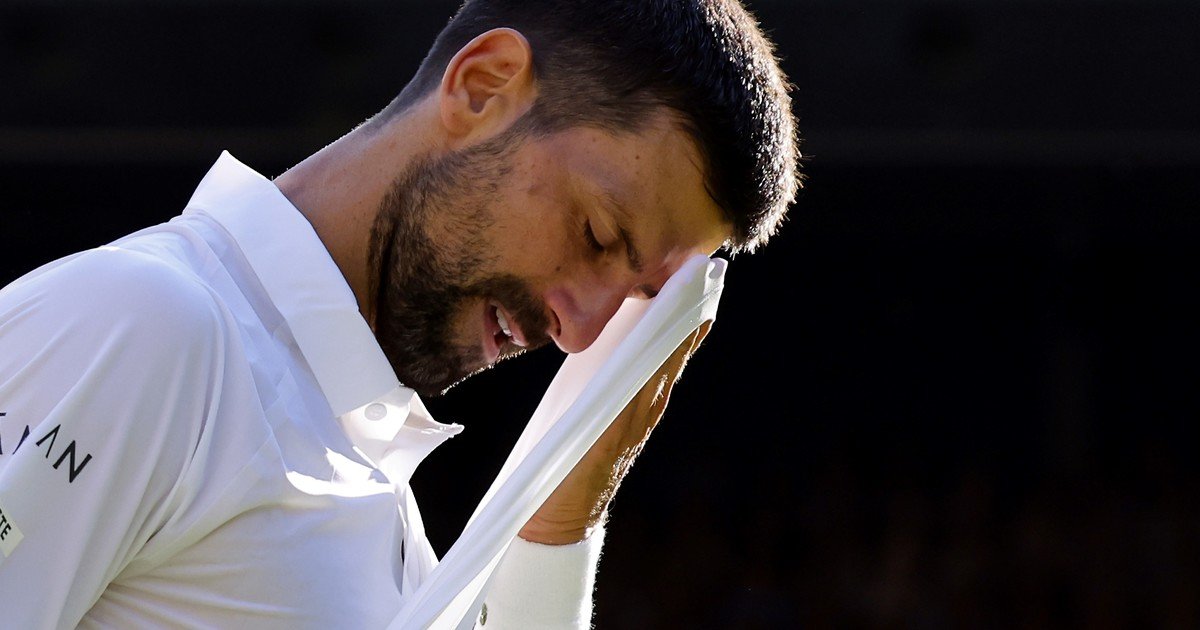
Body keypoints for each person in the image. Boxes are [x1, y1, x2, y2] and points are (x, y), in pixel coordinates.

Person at [0, 0, 799, 627]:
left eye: (634, 302)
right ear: (483, 85)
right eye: (595, 234)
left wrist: (559, 521)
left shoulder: (388, 514)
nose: (582, 332)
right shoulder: (150, 327)